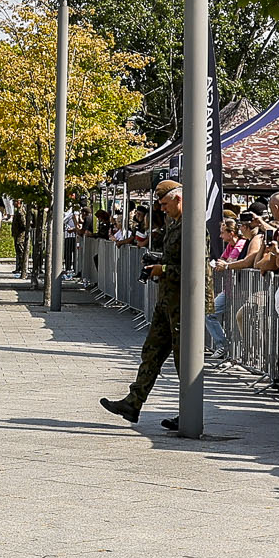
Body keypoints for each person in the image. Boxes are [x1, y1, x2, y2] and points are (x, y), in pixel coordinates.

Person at [103, 180, 196, 428]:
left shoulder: (193, 226)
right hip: (167, 300)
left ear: (179, 199)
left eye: (165, 204)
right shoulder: (173, 223)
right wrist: (158, 263)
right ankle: (133, 402)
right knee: (151, 352)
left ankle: (190, 412)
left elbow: (196, 270)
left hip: (184, 303)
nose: (162, 209)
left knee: (183, 361)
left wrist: (163, 269)